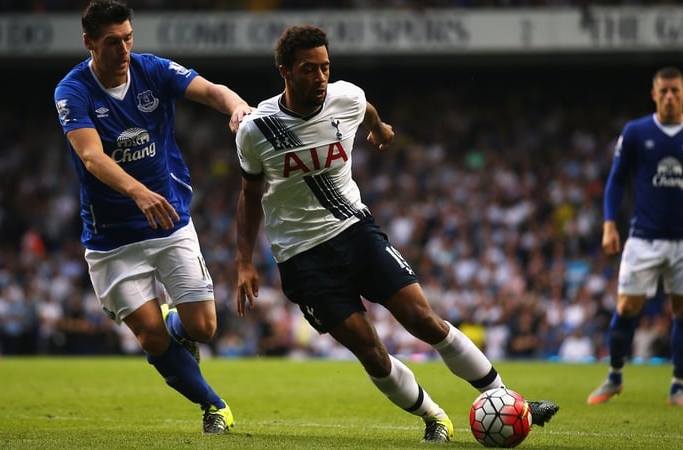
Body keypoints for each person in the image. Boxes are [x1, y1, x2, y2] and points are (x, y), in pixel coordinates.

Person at [234, 24, 559, 443]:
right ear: (285, 71)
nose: (320, 78)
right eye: (309, 70)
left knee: (424, 319)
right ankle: (434, 417)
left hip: (355, 230)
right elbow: (248, 194)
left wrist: (381, 127)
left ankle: (506, 398)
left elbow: (365, 108)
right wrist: (243, 261)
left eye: (325, 68)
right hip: (301, 256)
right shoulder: (257, 130)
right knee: (370, 349)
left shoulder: (345, 97)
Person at [53, 0, 251, 433]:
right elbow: (90, 156)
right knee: (148, 336)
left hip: (169, 222)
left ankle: (173, 320)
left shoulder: (152, 69)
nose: (123, 50)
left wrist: (236, 106)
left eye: (128, 38)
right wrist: (139, 192)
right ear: (88, 43)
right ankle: (214, 406)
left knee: (203, 328)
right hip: (111, 238)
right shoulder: (72, 91)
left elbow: (212, 90)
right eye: (111, 42)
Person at [587, 66, 683, 407]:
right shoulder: (636, 132)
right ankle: (615, 376)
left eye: (675, 91)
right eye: (663, 91)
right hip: (643, 236)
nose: (669, 97)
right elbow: (617, 180)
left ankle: (678, 388)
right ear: (654, 95)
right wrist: (608, 224)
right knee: (627, 306)